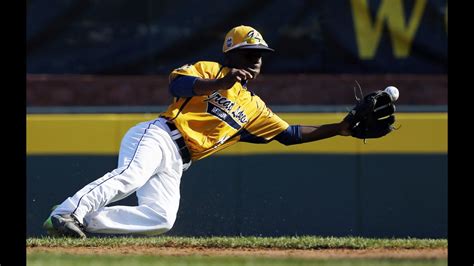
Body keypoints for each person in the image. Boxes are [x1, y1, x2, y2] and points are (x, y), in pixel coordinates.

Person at [43, 25, 361, 238]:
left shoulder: (255, 107)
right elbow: (177, 84)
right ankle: (67, 212)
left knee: (161, 219)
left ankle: (81, 220)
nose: (256, 60)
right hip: (159, 135)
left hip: (179, 161)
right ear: (231, 54)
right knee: (131, 175)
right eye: (250, 53)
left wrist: (341, 129)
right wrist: (221, 83)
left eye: (260, 56)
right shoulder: (210, 70)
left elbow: (289, 134)